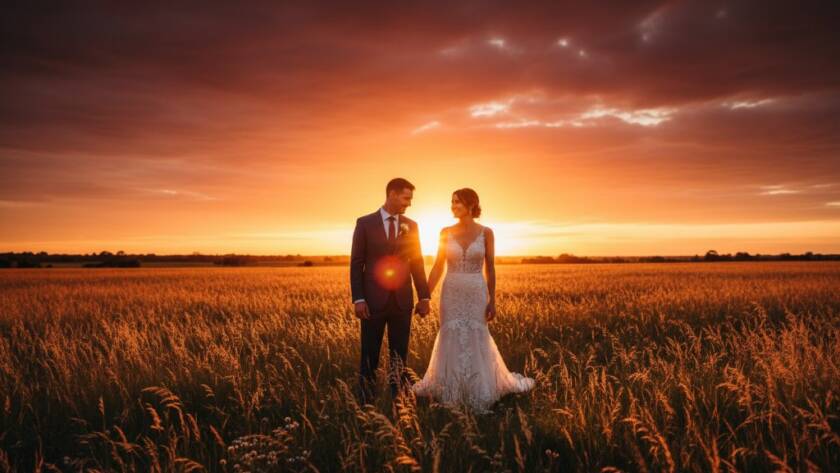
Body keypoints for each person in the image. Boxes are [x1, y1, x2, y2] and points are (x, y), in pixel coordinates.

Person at [411, 188, 535, 413]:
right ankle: (450, 389)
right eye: (451, 202)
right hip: (452, 292)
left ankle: (480, 389)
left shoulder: (486, 232)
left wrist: (492, 300)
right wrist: (424, 297)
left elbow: (491, 267)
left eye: (457, 202)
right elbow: (438, 266)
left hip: (477, 292)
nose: (453, 205)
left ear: (471, 204)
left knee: (477, 333)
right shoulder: (444, 232)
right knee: (451, 332)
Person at [350, 177, 431, 405]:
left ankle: (399, 401)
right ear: (392, 194)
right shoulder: (365, 223)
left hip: (402, 302)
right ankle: (365, 401)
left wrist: (424, 296)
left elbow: (417, 262)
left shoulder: (411, 225)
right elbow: (357, 263)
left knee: (399, 356)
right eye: (406, 198)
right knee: (369, 355)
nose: (409, 203)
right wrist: (358, 299)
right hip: (372, 302)